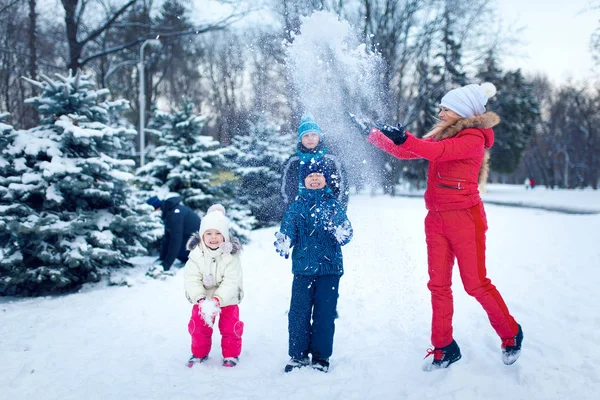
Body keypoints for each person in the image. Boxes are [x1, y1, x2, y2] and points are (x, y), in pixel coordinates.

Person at [363, 82, 523, 370]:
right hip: (436, 219)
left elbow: (434, 152)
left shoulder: (473, 138)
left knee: (475, 284)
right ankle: (444, 347)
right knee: (438, 285)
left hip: (465, 218)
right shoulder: (443, 135)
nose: (440, 112)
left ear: (461, 111)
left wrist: (406, 137)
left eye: (446, 108)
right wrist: (373, 135)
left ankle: (511, 333)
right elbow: (406, 153)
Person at [274, 159, 353, 373]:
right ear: (303, 180)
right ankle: (297, 355)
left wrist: (342, 232)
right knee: (298, 313)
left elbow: (345, 229)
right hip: (303, 269)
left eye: (319, 175)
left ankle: (320, 356)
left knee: (324, 314)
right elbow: (288, 227)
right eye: (310, 176)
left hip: (330, 270)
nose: (315, 178)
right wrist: (285, 239)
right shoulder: (297, 206)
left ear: (325, 179)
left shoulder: (333, 204)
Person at [183, 204, 244, 367]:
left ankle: (231, 354)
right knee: (198, 326)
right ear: (202, 235)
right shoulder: (196, 254)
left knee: (230, 327)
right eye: (209, 233)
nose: (213, 237)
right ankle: (199, 353)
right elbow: (191, 279)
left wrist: (218, 299)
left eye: (218, 233)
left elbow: (232, 280)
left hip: (227, 297)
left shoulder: (230, 256)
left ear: (225, 236)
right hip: (203, 296)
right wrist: (200, 298)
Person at [280, 113, 349, 211]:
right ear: (300, 139)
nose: (310, 138)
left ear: (319, 137)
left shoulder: (331, 159)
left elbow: (341, 186)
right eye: (306, 135)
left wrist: (338, 209)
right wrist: (291, 210)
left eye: (313, 135)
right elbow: (285, 188)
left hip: (328, 211)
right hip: (300, 212)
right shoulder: (293, 161)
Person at [146, 195, 201, 272]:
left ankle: (190, 260)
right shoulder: (170, 212)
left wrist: (166, 265)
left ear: (157, 208)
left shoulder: (175, 214)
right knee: (170, 242)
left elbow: (176, 240)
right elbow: (167, 237)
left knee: (174, 245)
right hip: (190, 241)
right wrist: (162, 258)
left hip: (197, 248)